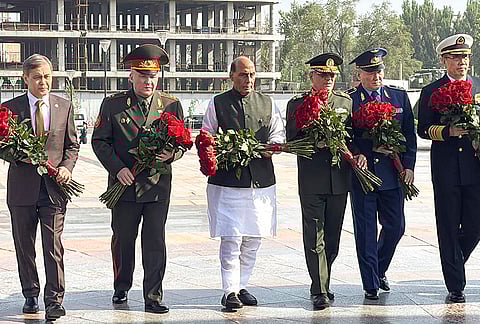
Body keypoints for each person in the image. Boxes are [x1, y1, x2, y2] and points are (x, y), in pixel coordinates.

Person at [91, 44, 184, 314]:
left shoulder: (170, 105)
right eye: (142, 76)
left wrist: (171, 155)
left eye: (153, 76)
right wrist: (118, 168)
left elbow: (180, 143)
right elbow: (100, 141)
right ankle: (122, 285)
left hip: (157, 186)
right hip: (124, 186)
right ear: (131, 76)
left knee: (155, 241)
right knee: (123, 239)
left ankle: (153, 296)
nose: (148, 81)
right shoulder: (113, 104)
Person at [201, 56, 285, 309]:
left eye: (251, 74)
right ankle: (229, 291)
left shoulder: (267, 103)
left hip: (260, 183)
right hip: (227, 184)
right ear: (231, 76)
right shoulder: (218, 103)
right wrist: (221, 150)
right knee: (231, 239)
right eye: (242, 75)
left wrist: (273, 147)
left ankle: (242, 285)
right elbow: (206, 136)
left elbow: (277, 133)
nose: (248, 79)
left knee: (253, 239)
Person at [1, 54, 79, 321]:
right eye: (37, 77)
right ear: (25, 78)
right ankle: (30, 294)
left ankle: (54, 300)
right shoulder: (10, 109)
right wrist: (20, 155)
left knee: (53, 246)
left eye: (47, 76)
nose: (43, 82)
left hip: (54, 190)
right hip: (22, 190)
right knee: (24, 245)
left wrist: (67, 167)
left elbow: (72, 145)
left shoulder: (63, 106)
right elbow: (3, 147)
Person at [348, 48, 417, 300]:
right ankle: (370, 284)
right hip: (364, 176)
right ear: (360, 74)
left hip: (392, 174)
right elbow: (346, 136)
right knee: (365, 232)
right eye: (369, 72)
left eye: (378, 71)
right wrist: (361, 151)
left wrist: (408, 166)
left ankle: (379, 269)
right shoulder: (351, 100)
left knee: (396, 226)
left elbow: (409, 135)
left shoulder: (398, 97)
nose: (375, 76)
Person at [285, 53, 352, 310]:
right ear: (311, 75)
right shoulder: (298, 104)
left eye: (332, 76)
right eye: (322, 75)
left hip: (338, 180)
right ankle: (319, 289)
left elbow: (353, 135)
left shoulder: (345, 102)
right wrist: (315, 142)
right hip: (312, 179)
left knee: (332, 238)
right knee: (314, 237)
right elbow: (292, 141)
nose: (328, 80)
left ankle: (325, 280)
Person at [417, 34, 480, 303]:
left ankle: (455, 262)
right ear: (444, 60)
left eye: (465, 57)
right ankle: (455, 284)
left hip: (475, 167)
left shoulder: (478, 85)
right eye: (455, 57)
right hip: (446, 169)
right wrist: (447, 131)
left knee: (475, 225)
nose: (462, 62)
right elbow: (422, 129)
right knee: (449, 225)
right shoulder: (431, 91)